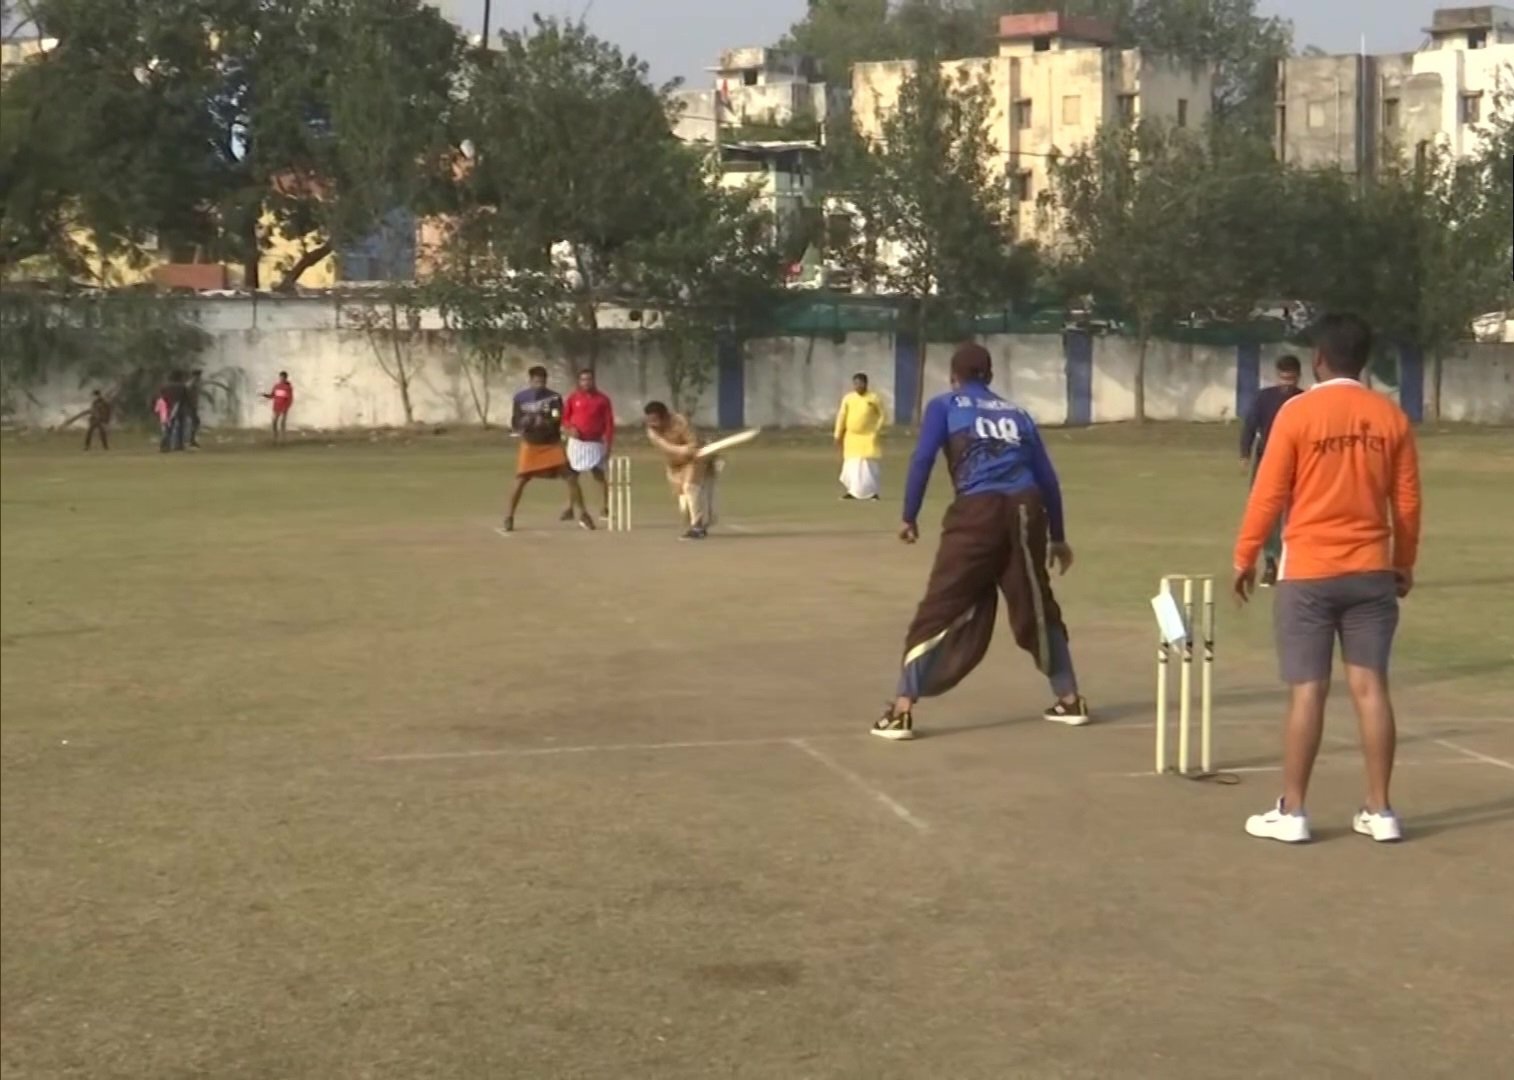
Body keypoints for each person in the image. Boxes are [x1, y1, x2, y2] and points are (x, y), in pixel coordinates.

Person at [1232, 313, 1421, 845]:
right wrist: (1403, 560)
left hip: (1309, 573)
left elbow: (1269, 493)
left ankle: (1293, 811)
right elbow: (1405, 502)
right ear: (1364, 359)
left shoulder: (1298, 413)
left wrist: (1245, 555)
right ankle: (1380, 810)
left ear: (1319, 357)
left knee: (1308, 692)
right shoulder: (1390, 418)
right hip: (1370, 569)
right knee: (1369, 687)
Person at [873, 343, 1088, 741]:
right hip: (1027, 510)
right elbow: (1048, 478)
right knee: (1036, 603)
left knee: (940, 604)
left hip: (977, 513)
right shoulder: (1018, 413)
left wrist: (909, 515)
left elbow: (922, 459)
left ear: (954, 375)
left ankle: (902, 708)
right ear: (989, 376)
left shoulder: (945, 405)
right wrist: (1057, 536)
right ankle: (1070, 697)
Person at [1239, 354, 1305, 586]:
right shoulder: (1264, 398)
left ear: (1298, 377)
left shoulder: (1304, 400)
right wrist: (1245, 454)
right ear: (1278, 376)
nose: (1287, 383)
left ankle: (1296, 562)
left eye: (1291, 378)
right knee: (1268, 511)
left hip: (1298, 461)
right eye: (1283, 378)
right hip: (1267, 459)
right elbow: (1250, 425)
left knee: (1298, 511)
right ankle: (1269, 563)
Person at [503, 366, 592, 533]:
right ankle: (509, 517)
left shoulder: (553, 398)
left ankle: (583, 514)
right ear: (530, 381)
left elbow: (557, 417)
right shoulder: (521, 398)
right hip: (531, 444)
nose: (539, 385)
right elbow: (515, 421)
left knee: (571, 477)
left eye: (542, 382)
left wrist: (545, 421)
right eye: (536, 381)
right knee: (520, 480)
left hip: (551, 444)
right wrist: (525, 424)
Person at [643, 401, 716, 541]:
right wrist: (684, 449)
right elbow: (666, 447)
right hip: (675, 465)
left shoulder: (680, 422)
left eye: (655, 420)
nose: (652, 424)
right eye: (649, 420)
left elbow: (694, 443)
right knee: (684, 508)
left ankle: (697, 528)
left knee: (690, 488)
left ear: (665, 417)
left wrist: (693, 448)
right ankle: (702, 520)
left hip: (694, 460)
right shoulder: (652, 431)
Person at [561, 368, 616, 521]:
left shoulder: (603, 400)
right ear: (579, 382)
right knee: (572, 477)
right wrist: (570, 429)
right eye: (583, 380)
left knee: (599, 476)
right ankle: (570, 507)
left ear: (593, 381)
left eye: (589, 379)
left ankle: (605, 507)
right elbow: (564, 419)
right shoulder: (573, 398)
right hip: (577, 443)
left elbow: (609, 424)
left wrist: (608, 445)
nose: (586, 382)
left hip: (595, 443)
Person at [834, 372, 885, 500]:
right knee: (852, 465)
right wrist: (838, 433)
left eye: (860, 383)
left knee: (867, 466)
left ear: (866, 384)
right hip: (852, 438)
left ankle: (872, 493)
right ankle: (852, 492)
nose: (858, 386)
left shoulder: (873, 398)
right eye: (855, 384)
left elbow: (883, 415)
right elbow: (842, 416)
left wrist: (876, 430)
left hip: (868, 437)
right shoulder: (848, 398)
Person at [157, 370, 188, 452]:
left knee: (168, 428)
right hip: (178, 408)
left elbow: (160, 397)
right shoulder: (182, 386)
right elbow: (185, 398)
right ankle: (179, 445)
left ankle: (165, 445)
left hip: (167, 408)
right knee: (180, 428)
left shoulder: (164, 386)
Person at [262, 371, 294, 442]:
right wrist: (265, 395)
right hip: (276, 407)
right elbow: (272, 396)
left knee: (282, 423)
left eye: (283, 377)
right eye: (280, 377)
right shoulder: (276, 386)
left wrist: (286, 407)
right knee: (274, 422)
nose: (281, 379)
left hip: (284, 407)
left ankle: (283, 438)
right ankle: (275, 436)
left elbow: (290, 399)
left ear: (286, 378)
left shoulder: (288, 387)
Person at [184, 368, 204, 449]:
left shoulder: (194, 383)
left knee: (195, 423)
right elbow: (187, 395)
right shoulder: (191, 384)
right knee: (194, 422)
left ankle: (191, 440)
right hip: (190, 406)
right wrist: (190, 404)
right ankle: (190, 440)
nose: (200, 377)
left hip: (193, 406)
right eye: (199, 375)